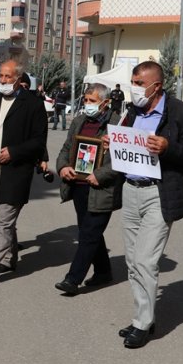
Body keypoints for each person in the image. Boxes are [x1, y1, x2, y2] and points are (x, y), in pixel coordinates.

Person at [116, 61, 183, 348]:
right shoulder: (131, 111)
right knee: (132, 261)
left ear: (157, 85)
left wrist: (168, 147)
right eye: (133, 82)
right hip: (131, 190)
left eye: (140, 83)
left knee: (145, 260)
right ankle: (144, 316)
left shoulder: (181, 114)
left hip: (159, 193)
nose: (135, 88)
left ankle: (143, 323)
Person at [0, 59, 48, 283]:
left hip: (15, 170)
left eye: (7, 77)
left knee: (4, 221)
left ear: (18, 79)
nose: (3, 81)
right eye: (0, 77)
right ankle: (10, 257)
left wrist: (15, 152)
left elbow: (38, 140)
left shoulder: (33, 104)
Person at [53, 83, 123, 295]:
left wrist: (100, 175)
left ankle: (72, 280)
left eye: (92, 101)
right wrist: (63, 167)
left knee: (89, 234)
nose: (87, 105)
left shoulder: (118, 125)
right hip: (79, 187)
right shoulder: (79, 121)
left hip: (102, 189)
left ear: (106, 103)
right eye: (86, 100)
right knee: (89, 231)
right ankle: (103, 271)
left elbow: (121, 160)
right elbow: (66, 148)